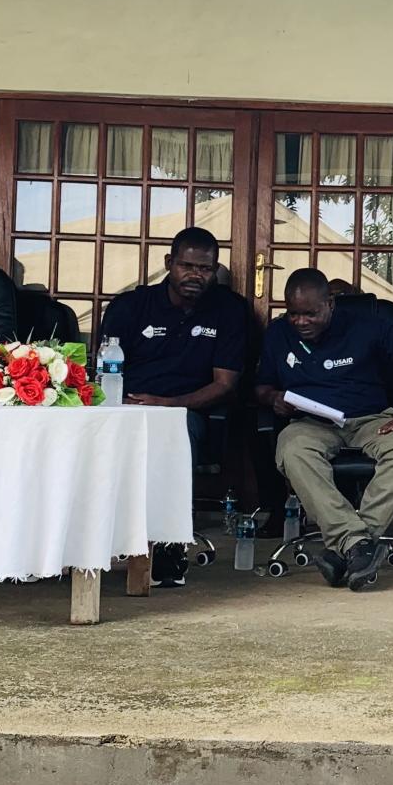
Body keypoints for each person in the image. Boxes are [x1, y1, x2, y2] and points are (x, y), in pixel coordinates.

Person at [255, 268, 393, 591]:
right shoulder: (278, 333)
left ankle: (346, 548)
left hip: (369, 419)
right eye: (293, 313)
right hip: (311, 422)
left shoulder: (364, 324)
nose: (300, 322)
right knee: (292, 449)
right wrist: (274, 397)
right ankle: (358, 545)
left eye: (310, 313)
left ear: (330, 304)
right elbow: (262, 387)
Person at [99, 226, 247, 587]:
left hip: (187, 412)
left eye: (206, 268)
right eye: (187, 266)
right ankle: (89, 543)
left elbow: (225, 384)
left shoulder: (229, 310)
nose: (196, 275)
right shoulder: (131, 306)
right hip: (126, 407)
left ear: (215, 270)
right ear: (169, 263)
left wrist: (168, 404)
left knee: (175, 438)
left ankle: (169, 547)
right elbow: (105, 370)